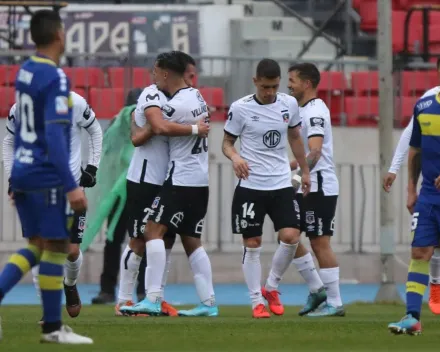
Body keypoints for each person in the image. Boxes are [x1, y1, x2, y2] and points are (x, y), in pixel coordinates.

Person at [0, 9, 92, 344]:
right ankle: (53, 327)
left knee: (39, 246)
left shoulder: (25, 71)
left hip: (24, 169)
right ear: (58, 35)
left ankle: (53, 325)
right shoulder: (56, 78)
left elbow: (22, 130)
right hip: (44, 174)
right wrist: (71, 186)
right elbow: (55, 136)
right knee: (54, 246)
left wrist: (15, 177)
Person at [120, 51, 216, 317]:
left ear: (165, 73)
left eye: (155, 71)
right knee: (191, 240)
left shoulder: (174, 105)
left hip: (179, 179)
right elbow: (143, 134)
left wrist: (138, 125)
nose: (152, 75)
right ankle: (208, 303)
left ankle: (151, 298)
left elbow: (158, 127)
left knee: (151, 233)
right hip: (199, 181)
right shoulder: (196, 96)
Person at [388, 50, 440, 336]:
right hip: (430, 195)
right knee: (420, 249)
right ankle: (412, 317)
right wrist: (412, 188)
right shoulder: (424, 106)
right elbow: (416, 149)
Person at [222, 58, 310, 318]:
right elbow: (226, 143)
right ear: (255, 82)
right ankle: (256, 302)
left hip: (281, 183)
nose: (270, 92)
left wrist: (304, 171)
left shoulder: (289, 104)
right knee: (252, 242)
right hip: (251, 186)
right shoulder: (240, 109)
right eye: (265, 87)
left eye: (274, 87)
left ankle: (270, 286)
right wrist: (236, 157)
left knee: (292, 236)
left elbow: (294, 137)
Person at [3, 90, 102, 322]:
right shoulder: (21, 109)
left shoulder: (75, 102)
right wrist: (11, 178)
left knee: (72, 251)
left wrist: (93, 167)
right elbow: (8, 141)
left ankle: (70, 283)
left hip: (71, 189)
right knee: (40, 248)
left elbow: (95, 130)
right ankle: (50, 313)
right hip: (36, 189)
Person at [287, 62, 345, 317]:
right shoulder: (303, 110)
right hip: (308, 183)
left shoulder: (314, 111)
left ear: (307, 84)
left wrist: (292, 174)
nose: (289, 85)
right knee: (286, 234)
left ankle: (334, 302)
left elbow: (315, 152)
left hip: (319, 185)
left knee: (320, 242)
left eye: (292, 80)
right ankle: (316, 289)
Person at [91, 88, 147, 306]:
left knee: (142, 240)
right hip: (120, 192)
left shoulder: (150, 124)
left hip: (141, 189)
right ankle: (107, 289)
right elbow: (109, 157)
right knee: (114, 240)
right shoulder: (117, 125)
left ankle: (143, 290)